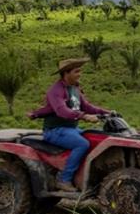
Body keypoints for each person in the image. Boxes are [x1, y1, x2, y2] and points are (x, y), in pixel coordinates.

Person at [28, 57, 111, 191]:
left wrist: (108, 112)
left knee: (95, 137)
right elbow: (62, 111)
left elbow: (86, 106)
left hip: (71, 128)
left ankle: (85, 176)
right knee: (82, 144)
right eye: (76, 71)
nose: (80, 74)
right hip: (55, 130)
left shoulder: (74, 88)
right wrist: (84, 116)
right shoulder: (56, 91)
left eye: (80, 71)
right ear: (66, 73)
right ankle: (64, 179)